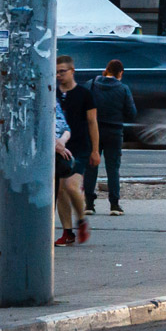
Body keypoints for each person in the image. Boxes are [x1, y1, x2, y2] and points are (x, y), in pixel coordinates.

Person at [54, 55, 99, 246]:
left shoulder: (84, 94)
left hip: (79, 146)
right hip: (58, 146)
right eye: (55, 72)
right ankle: (67, 231)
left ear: (72, 71)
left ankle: (81, 219)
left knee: (71, 186)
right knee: (61, 191)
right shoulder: (52, 93)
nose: (58, 75)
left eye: (62, 71)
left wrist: (95, 150)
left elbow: (92, 122)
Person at [85, 59, 135, 216]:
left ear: (106, 70)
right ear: (120, 73)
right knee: (113, 168)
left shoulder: (91, 84)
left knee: (91, 166)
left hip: (93, 131)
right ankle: (114, 205)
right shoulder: (123, 88)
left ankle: (89, 204)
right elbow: (132, 113)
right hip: (114, 132)